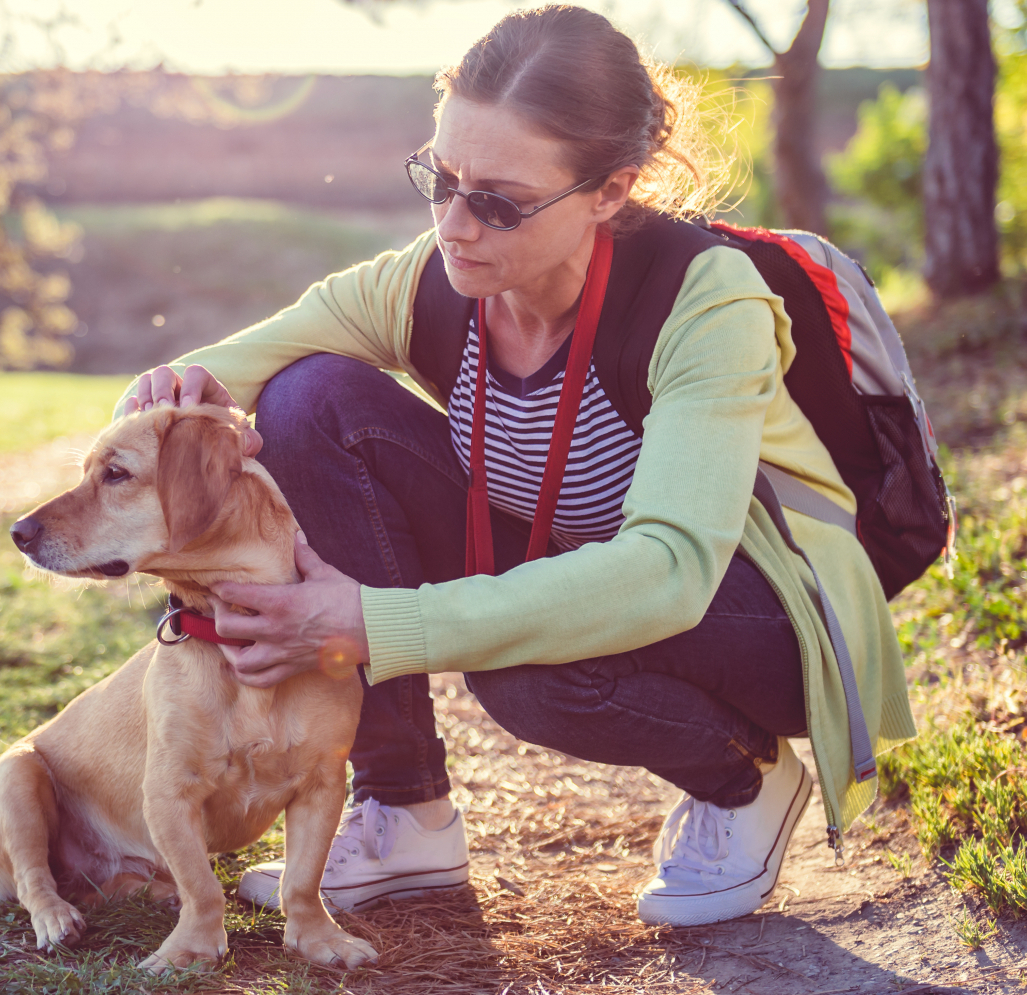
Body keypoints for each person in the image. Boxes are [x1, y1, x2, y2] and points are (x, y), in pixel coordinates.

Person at [115, 3, 916, 928]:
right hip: (584, 559)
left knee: (526, 673)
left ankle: (744, 775)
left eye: (497, 200)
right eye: (439, 180)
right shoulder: (439, 278)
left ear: (610, 190)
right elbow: (244, 364)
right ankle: (405, 808)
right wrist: (166, 403)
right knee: (307, 399)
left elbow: (666, 573)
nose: (456, 225)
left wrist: (374, 621)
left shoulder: (706, 301)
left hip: (756, 605)